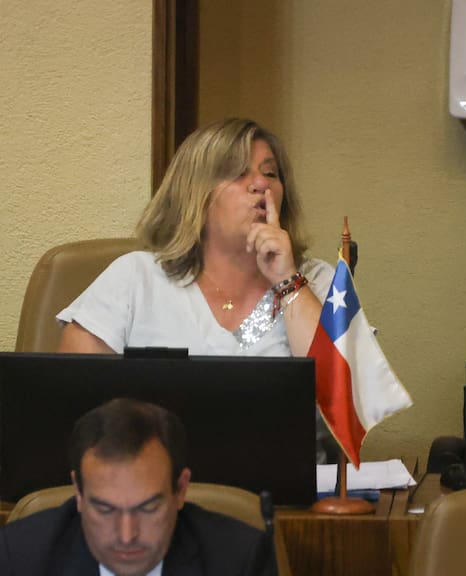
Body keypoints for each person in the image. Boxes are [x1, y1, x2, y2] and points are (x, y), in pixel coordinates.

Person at [55, 118, 335, 461]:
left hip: (290, 500)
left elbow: (346, 399)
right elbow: (72, 409)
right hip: (152, 500)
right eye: (237, 173)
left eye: (271, 174)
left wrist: (287, 279)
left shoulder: (318, 281)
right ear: (195, 194)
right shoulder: (135, 278)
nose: (261, 184)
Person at [0, 398, 275, 575]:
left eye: (148, 508)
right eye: (105, 509)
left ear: (180, 490)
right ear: (79, 493)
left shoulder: (240, 560)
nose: (127, 534)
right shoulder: (20, 558)